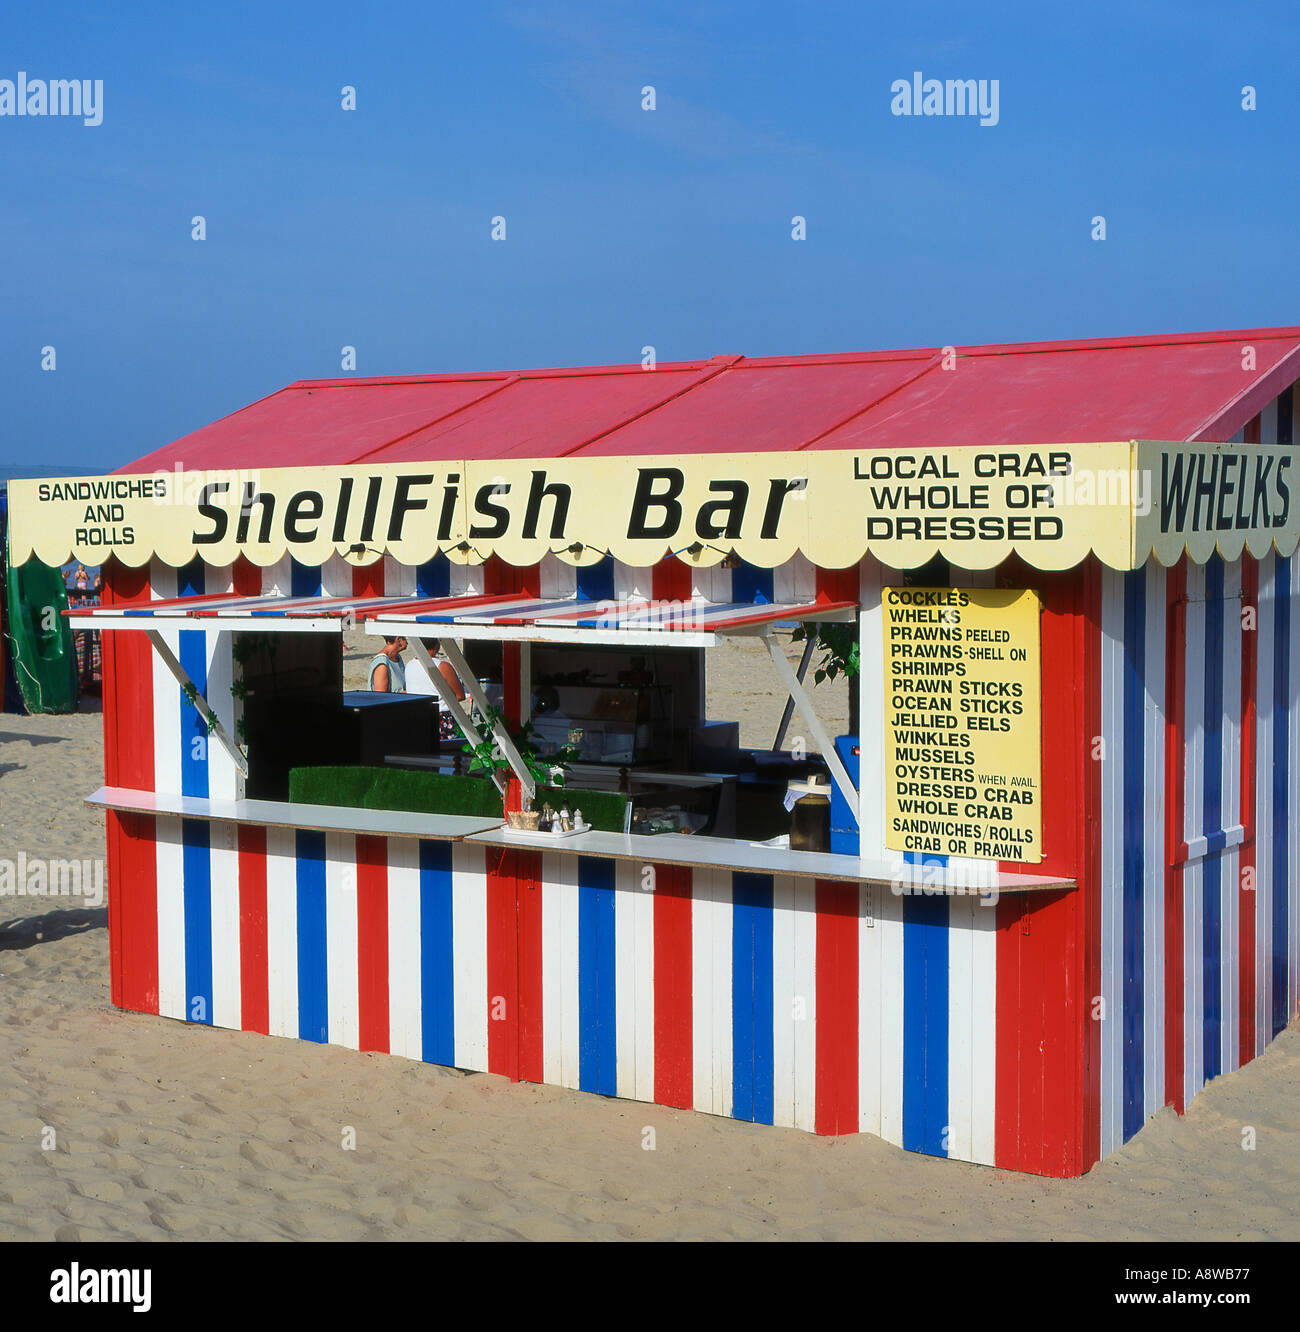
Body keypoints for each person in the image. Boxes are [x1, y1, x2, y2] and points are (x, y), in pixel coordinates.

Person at [405, 641, 467, 739]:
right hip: (441, 716)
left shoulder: (410, 664)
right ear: (437, 644)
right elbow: (459, 696)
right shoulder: (442, 666)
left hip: (417, 715)